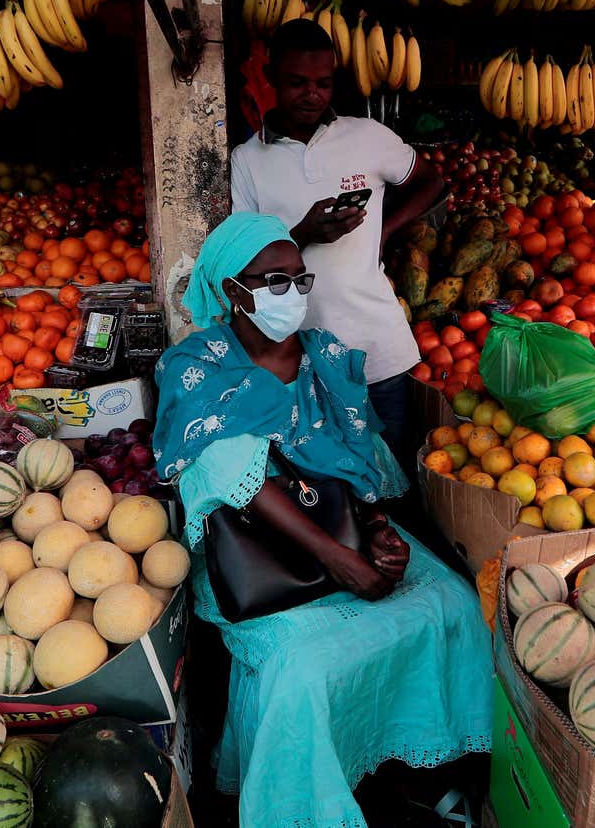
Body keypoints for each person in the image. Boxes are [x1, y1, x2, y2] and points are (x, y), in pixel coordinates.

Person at [155, 213, 492, 827]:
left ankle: (413, 771)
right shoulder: (194, 364)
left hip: (342, 528)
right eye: (273, 281)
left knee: (452, 603)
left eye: (299, 280)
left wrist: (377, 531)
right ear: (234, 290)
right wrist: (344, 561)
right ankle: (298, 803)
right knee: (304, 669)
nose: (292, 294)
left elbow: (359, 458)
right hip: (254, 554)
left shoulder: (329, 358)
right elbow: (209, 467)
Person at [229, 19, 446, 473]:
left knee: (397, 480)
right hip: (299, 358)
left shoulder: (367, 136)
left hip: (378, 347)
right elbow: (242, 259)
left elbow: (431, 183)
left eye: (323, 83)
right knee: (329, 485)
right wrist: (303, 233)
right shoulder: (248, 160)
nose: (312, 94)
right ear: (271, 79)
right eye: (297, 83)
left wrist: (384, 230)